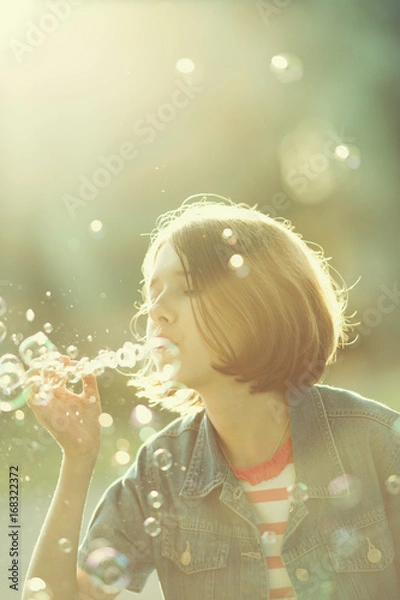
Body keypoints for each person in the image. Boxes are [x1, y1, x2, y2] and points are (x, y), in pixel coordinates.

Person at [22, 196, 400, 600]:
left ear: (260, 303)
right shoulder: (162, 474)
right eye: (153, 293)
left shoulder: (376, 443)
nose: (157, 312)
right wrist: (78, 457)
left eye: (186, 288)